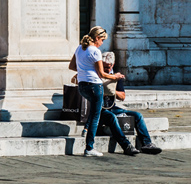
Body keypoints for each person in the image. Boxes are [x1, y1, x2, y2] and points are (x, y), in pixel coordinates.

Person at [68, 26, 139, 157]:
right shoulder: (95, 51)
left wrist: (84, 71)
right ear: (97, 38)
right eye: (102, 40)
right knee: (96, 117)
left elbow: (72, 66)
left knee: (95, 111)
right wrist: (116, 77)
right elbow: (102, 74)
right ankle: (89, 148)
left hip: (82, 86)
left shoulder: (79, 48)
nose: (102, 43)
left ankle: (86, 131)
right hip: (95, 86)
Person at [101, 52, 163, 154]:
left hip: (112, 106)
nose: (106, 69)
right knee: (112, 117)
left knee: (137, 115)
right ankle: (126, 146)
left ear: (113, 64)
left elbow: (122, 96)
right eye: (103, 67)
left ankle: (147, 144)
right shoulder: (97, 75)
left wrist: (111, 90)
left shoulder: (117, 76)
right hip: (100, 108)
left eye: (108, 67)